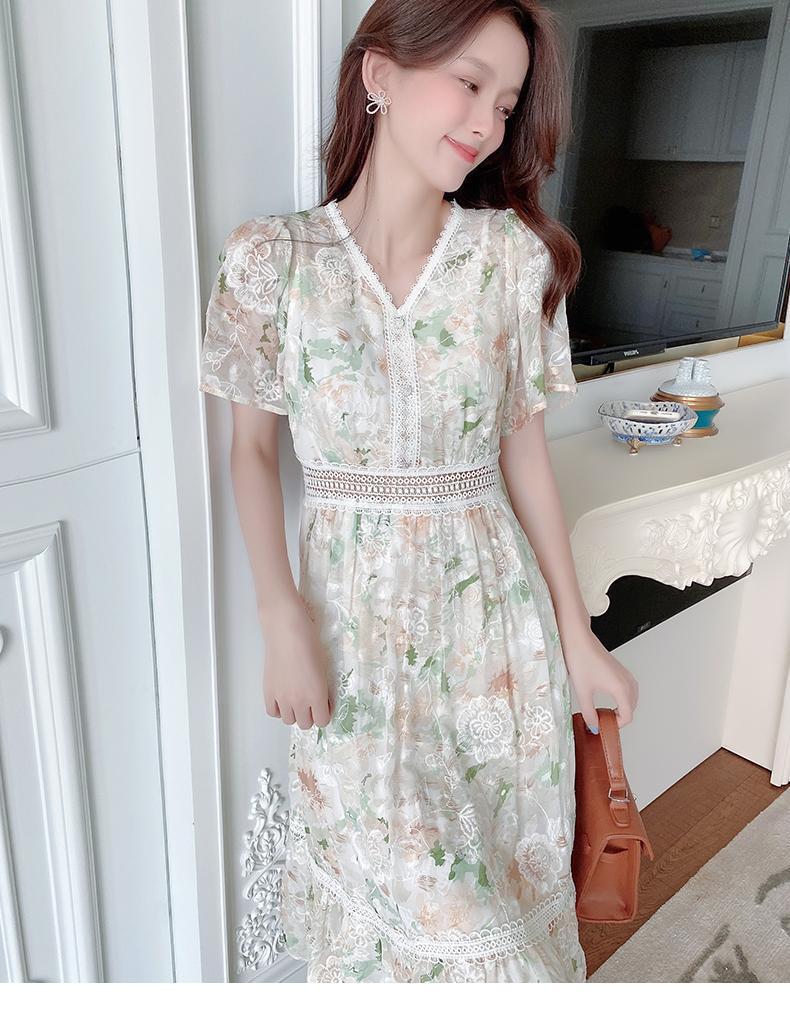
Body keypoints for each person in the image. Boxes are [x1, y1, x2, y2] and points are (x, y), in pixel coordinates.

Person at [199, 0, 639, 984]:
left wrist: (576, 635)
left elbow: (525, 456)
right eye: (469, 83)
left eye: (507, 103)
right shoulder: (271, 260)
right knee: (385, 934)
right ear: (380, 73)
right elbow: (250, 453)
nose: (486, 123)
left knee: (497, 929)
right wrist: (279, 612)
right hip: (347, 639)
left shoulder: (509, 260)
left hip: (492, 640)